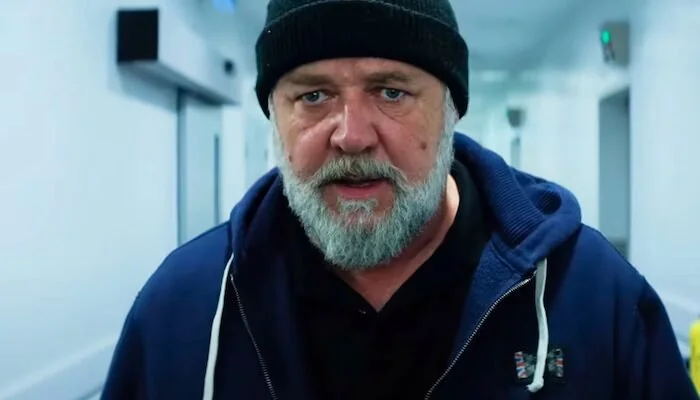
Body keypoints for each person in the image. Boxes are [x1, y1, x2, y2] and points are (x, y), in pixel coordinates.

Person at [102, 0, 698, 399]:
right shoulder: (184, 310)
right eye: (312, 96)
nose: (352, 135)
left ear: (451, 112)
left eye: (390, 92)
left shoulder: (594, 299)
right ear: (274, 118)